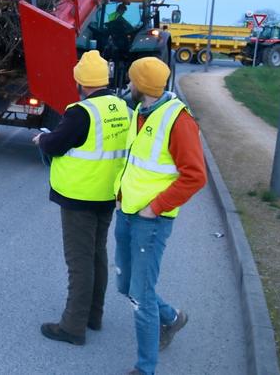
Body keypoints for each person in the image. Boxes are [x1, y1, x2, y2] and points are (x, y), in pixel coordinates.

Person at [114, 57, 207, 375]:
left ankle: (145, 368)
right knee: (126, 286)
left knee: (140, 296)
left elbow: (195, 176)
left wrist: (155, 208)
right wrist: (122, 197)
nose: (128, 85)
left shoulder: (179, 121)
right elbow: (136, 162)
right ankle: (172, 317)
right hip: (128, 214)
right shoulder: (141, 111)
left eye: (131, 81)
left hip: (151, 222)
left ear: (142, 86)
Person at [33, 50, 131, 345]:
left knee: (79, 262)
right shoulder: (120, 106)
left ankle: (72, 326)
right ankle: (93, 315)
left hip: (79, 197)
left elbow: (57, 144)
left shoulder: (81, 113)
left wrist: (42, 139)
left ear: (80, 82)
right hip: (106, 195)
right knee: (97, 255)